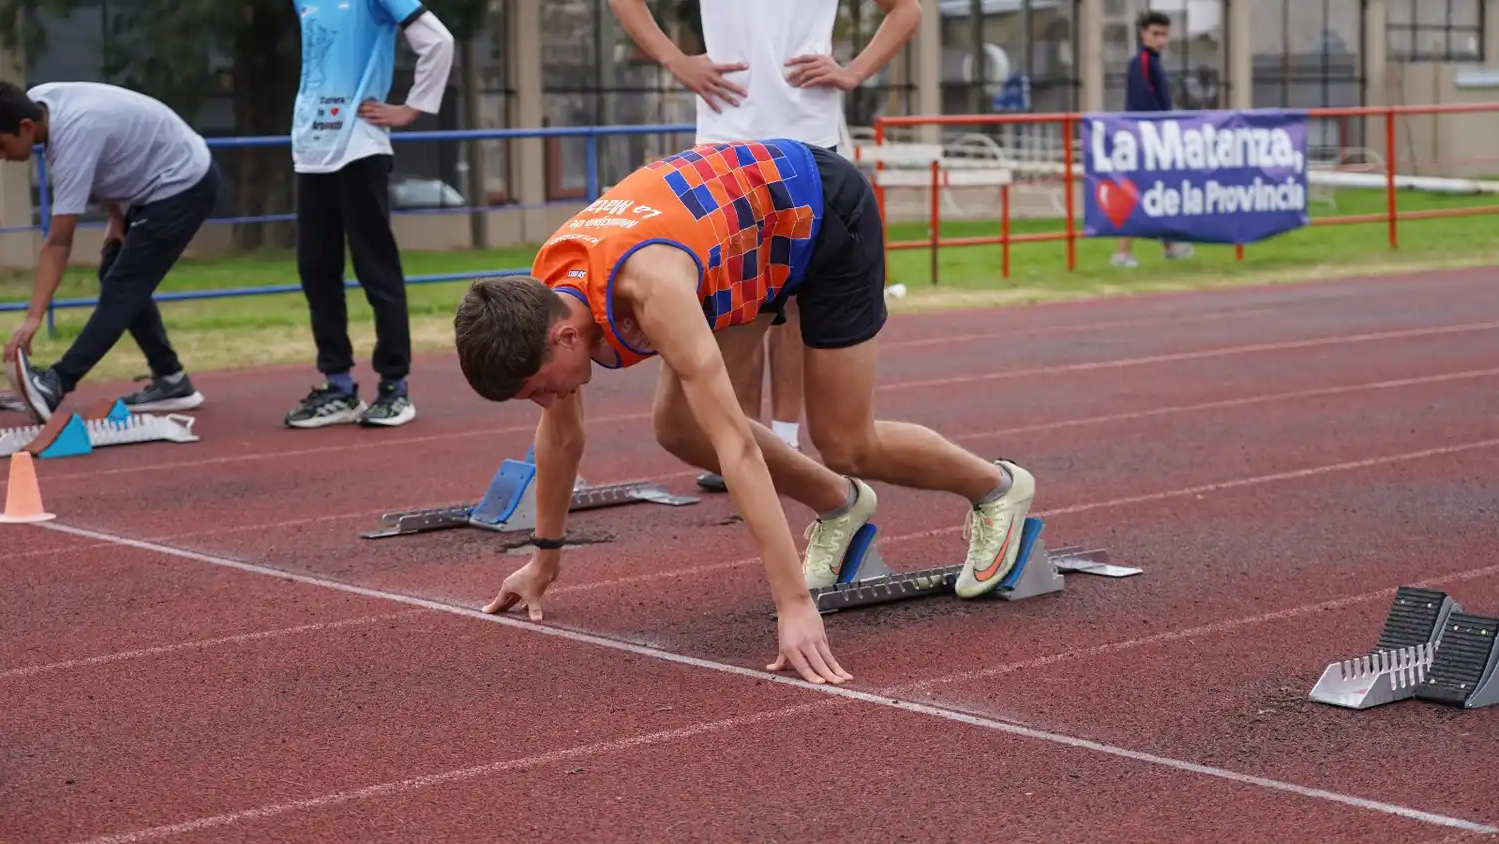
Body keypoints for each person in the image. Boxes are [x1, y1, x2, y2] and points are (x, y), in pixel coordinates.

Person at [452, 138, 1037, 686]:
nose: (546, 403)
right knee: (678, 425)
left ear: (565, 338)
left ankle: (998, 488)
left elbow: (737, 446)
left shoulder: (653, 290)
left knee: (845, 441)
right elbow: (560, 438)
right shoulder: (546, 292)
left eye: (536, 389)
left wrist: (795, 606)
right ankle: (841, 504)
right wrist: (543, 562)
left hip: (820, 211)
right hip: (744, 241)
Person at [606, 0, 922, 495]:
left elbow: (905, 10)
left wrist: (854, 71)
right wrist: (675, 60)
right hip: (724, 141)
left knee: (797, 304)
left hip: (808, 139)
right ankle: (741, 438)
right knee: (736, 300)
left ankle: (786, 438)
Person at [0, 81, 217, 423]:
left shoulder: (71, 137)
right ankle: (172, 380)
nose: (1, 156)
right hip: (160, 176)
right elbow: (110, 151)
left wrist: (33, 318)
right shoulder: (40, 101)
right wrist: (115, 216)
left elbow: (58, 244)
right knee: (117, 271)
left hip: (184, 182)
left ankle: (57, 381)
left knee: (122, 285)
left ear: (26, 127)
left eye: (1, 145)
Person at [284, 0, 454, 429]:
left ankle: (395, 386)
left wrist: (412, 108)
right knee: (316, 272)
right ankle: (339, 386)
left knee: (376, 270)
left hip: (360, 148)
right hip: (311, 153)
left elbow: (438, 41)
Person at [1113, 9, 1193, 269]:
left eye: (1164, 35)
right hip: (1143, 141)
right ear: (1143, 34)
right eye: (1155, 33)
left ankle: (1169, 246)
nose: (1161, 40)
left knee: (1156, 194)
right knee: (1137, 194)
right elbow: (1145, 106)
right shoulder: (1142, 63)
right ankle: (1122, 253)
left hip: (1153, 139)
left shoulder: (1153, 62)